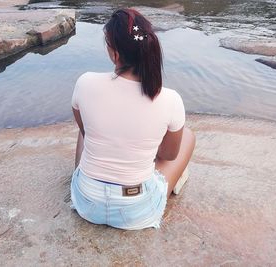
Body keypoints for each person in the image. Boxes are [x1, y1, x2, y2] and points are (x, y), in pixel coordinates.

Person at [70, 8, 196, 230]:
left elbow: (86, 133)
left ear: (116, 54)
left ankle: (92, 178)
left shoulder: (85, 82)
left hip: (87, 202)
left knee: (87, 131)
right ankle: (167, 182)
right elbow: (168, 155)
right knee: (187, 136)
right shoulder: (170, 99)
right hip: (136, 211)